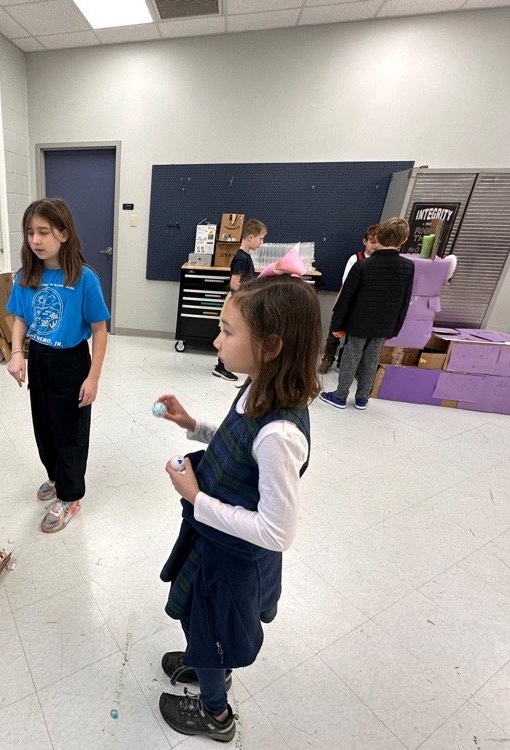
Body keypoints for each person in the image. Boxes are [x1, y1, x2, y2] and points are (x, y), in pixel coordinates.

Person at [155, 275, 320, 742]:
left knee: (210, 630)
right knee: (198, 620)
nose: (216, 339)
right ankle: (209, 665)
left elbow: (277, 532)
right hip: (213, 543)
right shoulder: (255, 387)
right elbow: (233, 441)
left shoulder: (280, 435)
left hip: (232, 560)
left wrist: (196, 498)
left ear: (270, 345)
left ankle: (215, 713)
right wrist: (192, 424)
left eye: (227, 331)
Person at [5, 198, 110, 533]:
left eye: (44, 232)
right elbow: (20, 317)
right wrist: (16, 353)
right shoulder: (26, 275)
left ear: (63, 234)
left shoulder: (84, 278)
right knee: (45, 428)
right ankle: (56, 475)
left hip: (71, 361)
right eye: (30, 233)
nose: (35, 240)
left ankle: (70, 495)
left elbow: (99, 329)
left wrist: (93, 378)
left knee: (71, 433)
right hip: (39, 360)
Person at [320, 217, 414, 411]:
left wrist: (337, 325)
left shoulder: (363, 266)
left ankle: (340, 395)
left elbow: (346, 298)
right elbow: (405, 301)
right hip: (384, 324)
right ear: (404, 240)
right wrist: (396, 327)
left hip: (358, 322)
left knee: (351, 357)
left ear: (378, 237)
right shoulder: (408, 267)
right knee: (372, 359)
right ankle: (362, 398)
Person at [319, 224, 381, 374]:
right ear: (364, 242)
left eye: (379, 243)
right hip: (346, 302)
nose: (375, 246)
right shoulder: (356, 259)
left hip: (364, 307)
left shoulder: (380, 262)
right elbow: (347, 281)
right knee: (334, 332)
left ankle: (343, 361)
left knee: (353, 337)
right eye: (372, 242)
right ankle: (328, 358)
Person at [214, 219, 267, 381]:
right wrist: (250, 292)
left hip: (240, 300)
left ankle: (223, 364)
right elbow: (234, 283)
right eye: (261, 238)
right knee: (229, 333)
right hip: (236, 300)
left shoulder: (245, 257)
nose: (261, 242)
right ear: (250, 237)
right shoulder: (241, 258)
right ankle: (221, 366)